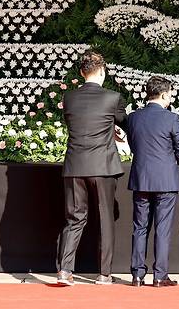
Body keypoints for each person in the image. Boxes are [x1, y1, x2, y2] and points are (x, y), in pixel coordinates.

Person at [57, 51, 127, 286]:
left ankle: (65, 271)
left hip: (75, 165)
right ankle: (104, 274)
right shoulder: (113, 97)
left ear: (81, 72)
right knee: (106, 219)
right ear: (103, 71)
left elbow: (80, 124)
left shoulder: (70, 97)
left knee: (74, 219)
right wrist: (113, 132)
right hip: (103, 166)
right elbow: (122, 122)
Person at [126, 76, 179, 288]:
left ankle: (137, 274)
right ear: (163, 94)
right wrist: (177, 158)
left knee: (140, 227)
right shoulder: (172, 118)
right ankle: (160, 275)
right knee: (162, 229)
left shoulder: (133, 118)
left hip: (141, 178)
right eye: (170, 94)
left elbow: (133, 145)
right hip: (166, 180)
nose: (171, 98)